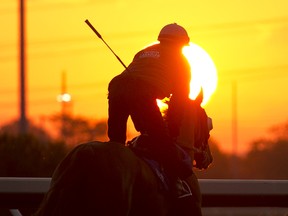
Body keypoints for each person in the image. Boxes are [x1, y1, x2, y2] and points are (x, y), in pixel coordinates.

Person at [107, 23, 192, 195]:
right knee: (162, 142)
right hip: (141, 92)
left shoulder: (143, 52)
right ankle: (176, 184)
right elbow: (179, 101)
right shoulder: (181, 62)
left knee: (116, 143)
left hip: (116, 88)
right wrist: (172, 132)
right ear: (182, 44)